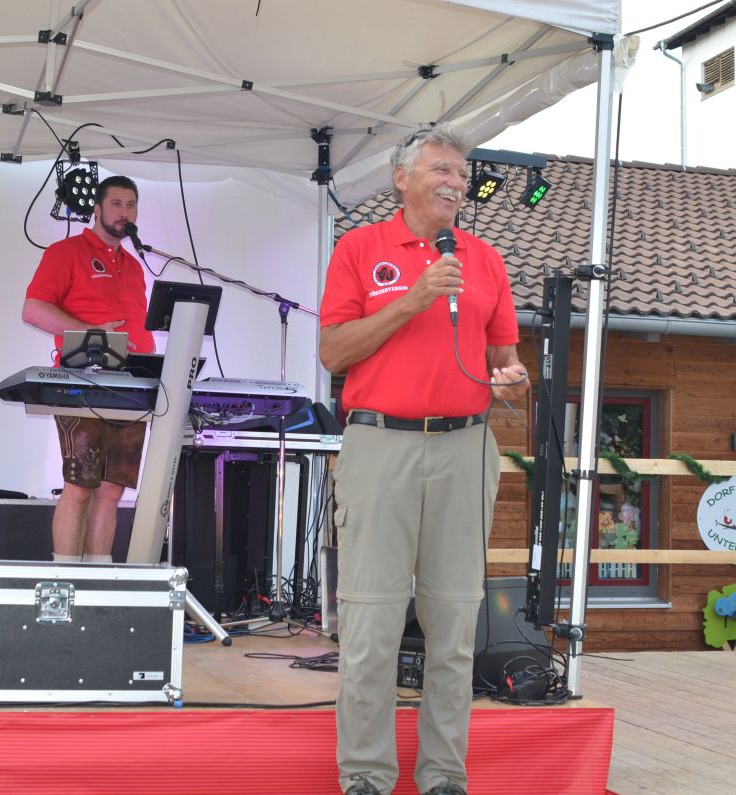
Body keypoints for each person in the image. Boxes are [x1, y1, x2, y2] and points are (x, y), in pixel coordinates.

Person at [319, 122, 530, 795]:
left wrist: (513, 380)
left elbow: (503, 360)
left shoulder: (485, 261)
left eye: (462, 175)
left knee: (455, 622)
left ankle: (443, 775)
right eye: (442, 169)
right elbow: (333, 351)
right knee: (372, 621)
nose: (456, 183)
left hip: (466, 446)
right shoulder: (359, 248)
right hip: (381, 443)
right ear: (401, 179)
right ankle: (366, 774)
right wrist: (415, 299)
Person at [22, 175, 154, 564]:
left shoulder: (134, 266)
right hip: (83, 380)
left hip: (132, 385)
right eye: (116, 204)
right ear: (96, 209)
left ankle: (100, 578)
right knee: (79, 485)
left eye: (131, 205)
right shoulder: (65, 252)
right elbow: (32, 310)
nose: (124, 212)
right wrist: (91, 333)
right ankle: (65, 577)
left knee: (112, 491)